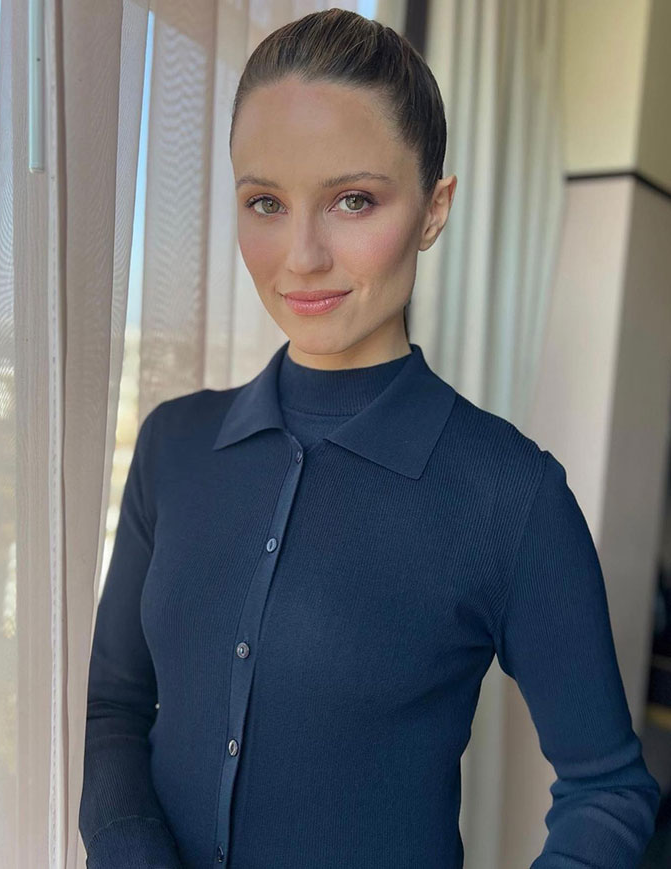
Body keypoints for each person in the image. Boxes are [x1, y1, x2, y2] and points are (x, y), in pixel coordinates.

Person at [78, 8, 661, 868]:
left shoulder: (510, 494)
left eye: (354, 200)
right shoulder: (175, 445)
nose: (302, 255)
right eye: (266, 202)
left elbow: (609, 788)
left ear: (434, 209)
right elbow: (115, 710)